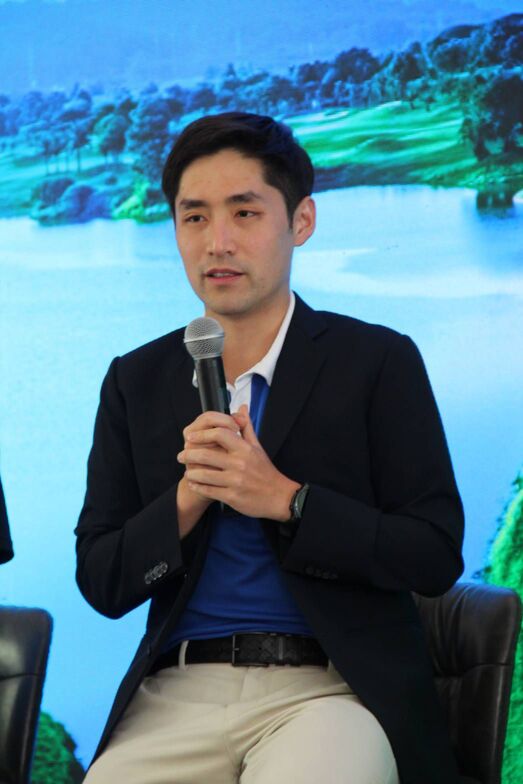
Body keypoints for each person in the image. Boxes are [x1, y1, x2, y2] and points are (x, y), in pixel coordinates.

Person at [76, 112, 464, 784]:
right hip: (174, 695)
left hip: (331, 691)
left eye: (245, 213)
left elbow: (432, 553)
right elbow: (102, 581)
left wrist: (287, 500)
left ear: (301, 221)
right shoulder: (135, 380)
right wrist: (189, 497)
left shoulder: (376, 362)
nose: (217, 242)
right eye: (194, 217)